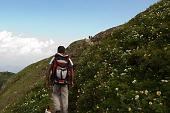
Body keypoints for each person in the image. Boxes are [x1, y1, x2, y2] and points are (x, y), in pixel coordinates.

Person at [48, 46, 74, 113]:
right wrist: (71, 81)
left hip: (56, 81)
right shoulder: (68, 59)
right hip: (65, 82)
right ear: (64, 51)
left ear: (57, 51)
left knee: (55, 94)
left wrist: (48, 79)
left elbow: (49, 69)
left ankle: (57, 109)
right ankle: (65, 111)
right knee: (65, 97)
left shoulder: (54, 58)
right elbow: (72, 71)